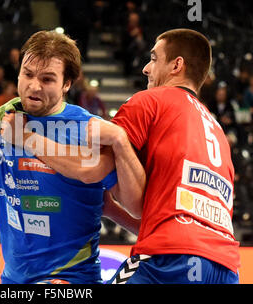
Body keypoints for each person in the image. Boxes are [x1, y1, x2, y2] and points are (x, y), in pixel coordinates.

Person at [0, 30, 144, 284]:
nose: (33, 86)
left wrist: (26, 138)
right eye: (28, 74)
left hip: (70, 278)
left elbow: (134, 208)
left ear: (67, 84)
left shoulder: (90, 129)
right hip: (13, 279)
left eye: (47, 79)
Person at [103, 29, 240, 283]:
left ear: (177, 65)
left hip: (170, 261)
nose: (146, 68)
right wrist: (112, 211)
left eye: (154, 58)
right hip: (225, 269)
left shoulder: (150, 101)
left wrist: (34, 141)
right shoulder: (218, 131)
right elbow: (173, 221)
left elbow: (101, 172)